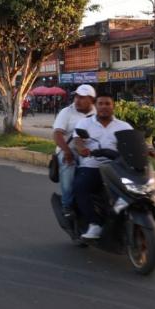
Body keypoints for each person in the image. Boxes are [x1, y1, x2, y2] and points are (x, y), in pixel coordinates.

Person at [72, 91, 134, 239]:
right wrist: (81, 148)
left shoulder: (123, 125)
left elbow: (134, 142)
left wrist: (148, 150)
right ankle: (95, 224)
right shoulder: (85, 123)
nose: (104, 107)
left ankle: (120, 216)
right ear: (95, 105)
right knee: (80, 187)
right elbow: (77, 139)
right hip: (92, 166)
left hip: (117, 166)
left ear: (113, 106)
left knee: (132, 191)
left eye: (108, 104)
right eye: (101, 104)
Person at [52, 84, 96, 218]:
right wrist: (66, 151)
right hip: (68, 149)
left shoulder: (97, 112)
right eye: (76, 96)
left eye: (82, 97)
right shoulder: (67, 112)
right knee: (68, 165)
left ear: (91, 100)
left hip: (90, 151)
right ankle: (67, 205)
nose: (77, 100)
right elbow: (57, 135)